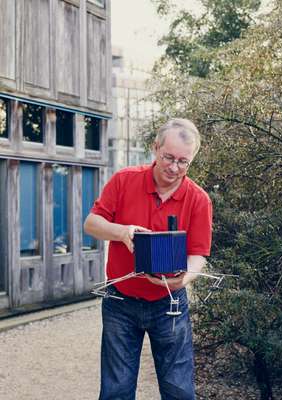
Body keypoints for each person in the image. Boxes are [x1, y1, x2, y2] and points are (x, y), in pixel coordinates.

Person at [84, 118, 212, 400]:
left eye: (183, 161)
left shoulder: (199, 199)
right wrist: (123, 232)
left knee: (179, 391)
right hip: (120, 300)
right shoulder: (123, 180)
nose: (174, 168)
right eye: (168, 157)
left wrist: (185, 279)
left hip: (170, 302)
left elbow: (199, 253)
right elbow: (91, 224)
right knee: (116, 391)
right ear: (155, 148)